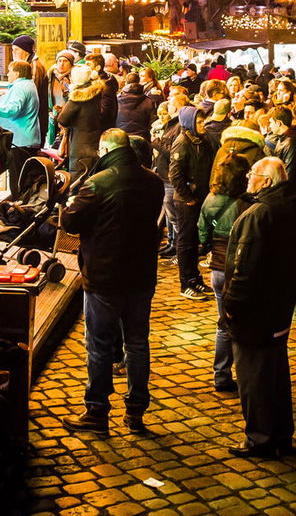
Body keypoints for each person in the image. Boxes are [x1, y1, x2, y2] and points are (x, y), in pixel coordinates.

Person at [61, 128, 165, 436]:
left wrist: (71, 203)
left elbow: (70, 222)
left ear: (105, 150)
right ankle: (136, 409)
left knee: (99, 345)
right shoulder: (153, 181)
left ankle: (97, 410)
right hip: (141, 274)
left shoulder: (98, 183)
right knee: (137, 342)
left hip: (105, 275)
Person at [221, 157, 296, 458]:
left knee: (253, 377)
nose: (248, 178)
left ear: (267, 181)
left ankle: (259, 438)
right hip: (281, 305)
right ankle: (281, 434)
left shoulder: (259, 215)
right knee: (275, 373)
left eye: (253, 175)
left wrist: (230, 307)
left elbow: (243, 268)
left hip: (255, 310)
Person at [199, 152, 250, 393]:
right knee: (242, 324)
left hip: (218, 269)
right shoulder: (248, 203)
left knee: (223, 324)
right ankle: (244, 375)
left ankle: (221, 375)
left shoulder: (211, 199)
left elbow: (202, 233)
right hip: (240, 268)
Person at [168, 105, 216, 302]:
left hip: (200, 198)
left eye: (202, 120)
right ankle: (186, 282)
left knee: (195, 240)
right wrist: (189, 197)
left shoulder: (202, 141)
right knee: (186, 242)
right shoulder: (182, 143)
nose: (202, 124)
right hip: (186, 202)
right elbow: (175, 174)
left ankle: (195, 278)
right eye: (198, 121)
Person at [0, 60, 41, 191]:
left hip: (20, 140)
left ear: (17, 73)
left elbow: (14, 108)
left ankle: (19, 208)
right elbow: (7, 100)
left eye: (10, 71)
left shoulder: (20, 87)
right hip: (26, 138)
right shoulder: (27, 85)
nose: (7, 74)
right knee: (24, 178)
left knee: (19, 181)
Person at [55, 64, 108, 175]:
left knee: (78, 177)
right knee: (90, 175)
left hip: (80, 144)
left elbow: (62, 119)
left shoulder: (77, 97)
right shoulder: (96, 93)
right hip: (94, 141)